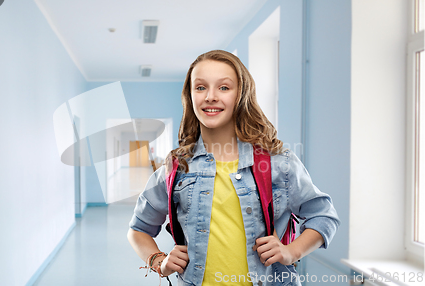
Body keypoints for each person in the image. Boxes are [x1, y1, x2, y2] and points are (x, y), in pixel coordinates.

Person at [127, 50, 340, 286]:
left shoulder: (278, 162)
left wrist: (292, 252)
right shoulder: (177, 167)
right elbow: (138, 229)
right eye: (200, 87)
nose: (210, 96)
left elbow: (324, 216)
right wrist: (159, 261)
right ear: (189, 96)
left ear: (241, 94)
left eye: (224, 87)